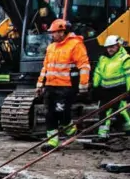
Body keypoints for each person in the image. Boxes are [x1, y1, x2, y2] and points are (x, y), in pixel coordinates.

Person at [36, 19, 90, 152]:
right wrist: (40, 84)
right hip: (50, 86)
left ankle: (71, 130)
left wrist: (83, 84)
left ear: (62, 32)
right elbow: (46, 67)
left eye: (54, 32)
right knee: (49, 114)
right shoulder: (51, 47)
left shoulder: (76, 45)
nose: (52, 35)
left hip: (66, 87)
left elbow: (84, 65)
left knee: (61, 113)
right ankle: (52, 142)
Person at [93, 35, 130, 140]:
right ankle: (103, 135)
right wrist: (96, 86)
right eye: (108, 47)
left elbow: (129, 75)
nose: (110, 49)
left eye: (112, 46)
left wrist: (129, 91)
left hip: (119, 89)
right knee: (103, 111)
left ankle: (128, 128)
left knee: (122, 110)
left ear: (118, 45)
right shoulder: (103, 58)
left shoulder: (125, 58)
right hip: (106, 90)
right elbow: (98, 72)